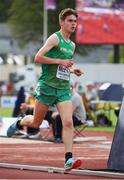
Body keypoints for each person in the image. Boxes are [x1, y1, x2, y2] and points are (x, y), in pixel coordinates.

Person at [7, 8, 83, 171]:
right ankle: (19, 122)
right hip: (47, 87)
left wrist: (71, 70)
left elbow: (62, 67)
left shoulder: (72, 45)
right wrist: (58, 61)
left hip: (63, 88)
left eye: (75, 21)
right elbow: (38, 57)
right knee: (36, 122)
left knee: (68, 122)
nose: (73, 24)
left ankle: (68, 159)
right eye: (70, 21)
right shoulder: (55, 38)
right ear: (62, 22)